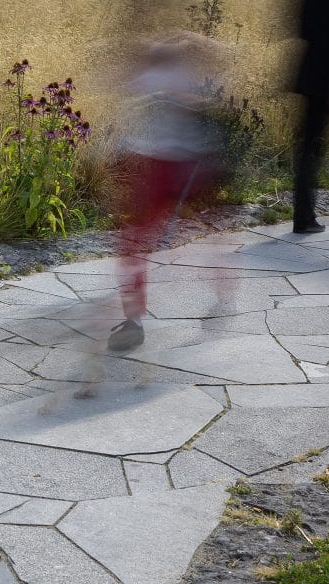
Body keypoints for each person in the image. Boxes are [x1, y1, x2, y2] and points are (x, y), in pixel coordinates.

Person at [108, 35, 220, 352]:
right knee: (199, 236)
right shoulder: (182, 78)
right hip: (183, 168)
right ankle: (223, 291)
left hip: (163, 169)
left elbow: (136, 102)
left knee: (132, 244)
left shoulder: (157, 77)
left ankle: (134, 321)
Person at [291, 0, 329, 234]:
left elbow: (301, 29)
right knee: (313, 148)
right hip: (328, 74)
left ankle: (302, 213)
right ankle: (304, 216)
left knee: (307, 146)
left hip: (308, 69)